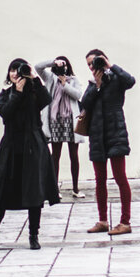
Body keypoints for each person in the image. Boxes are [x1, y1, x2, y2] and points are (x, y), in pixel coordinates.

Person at [0, 59, 59, 251]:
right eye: (12, 70)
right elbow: (5, 113)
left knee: (33, 191)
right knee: (1, 191)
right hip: (11, 147)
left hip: (33, 147)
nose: (15, 73)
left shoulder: (35, 93)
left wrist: (35, 78)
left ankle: (33, 236)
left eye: (19, 70)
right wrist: (17, 94)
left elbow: (46, 100)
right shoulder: (6, 94)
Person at [79, 49, 135, 235]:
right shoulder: (92, 84)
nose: (91, 66)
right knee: (99, 180)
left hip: (115, 133)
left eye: (94, 62)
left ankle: (125, 222)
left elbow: (130, 81)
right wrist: (96, 85)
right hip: (97, 136)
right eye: (88, 64)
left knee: (120, 178)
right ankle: (103, 221)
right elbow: (84, 104)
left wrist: (110, 66)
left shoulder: (117, 79)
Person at [34, 54, 86, 197]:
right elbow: (37, 67)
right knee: (55, 156)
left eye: (64, 65)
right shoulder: (50, 78)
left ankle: (75, 188)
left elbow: (77, 95)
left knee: (73, 155)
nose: (62, 68)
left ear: (68, 66)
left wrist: (65, 84)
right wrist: (52, 62)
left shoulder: (73, 80)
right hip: (55, 120)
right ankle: (54, 190)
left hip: (71, 120)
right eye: (59, 66)